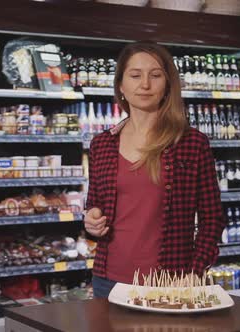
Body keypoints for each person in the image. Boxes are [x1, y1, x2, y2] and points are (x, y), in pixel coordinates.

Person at [84, 41, 226, 299]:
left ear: (168, 85)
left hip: (171, 282)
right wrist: (92, 221)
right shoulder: (102, 144)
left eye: (156, 75)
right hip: (107, 281)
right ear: (121, 85)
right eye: (135, 75)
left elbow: (212, 218)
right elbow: (94, 206)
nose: (145, 84)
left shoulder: (192, 143)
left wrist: (195, 270)